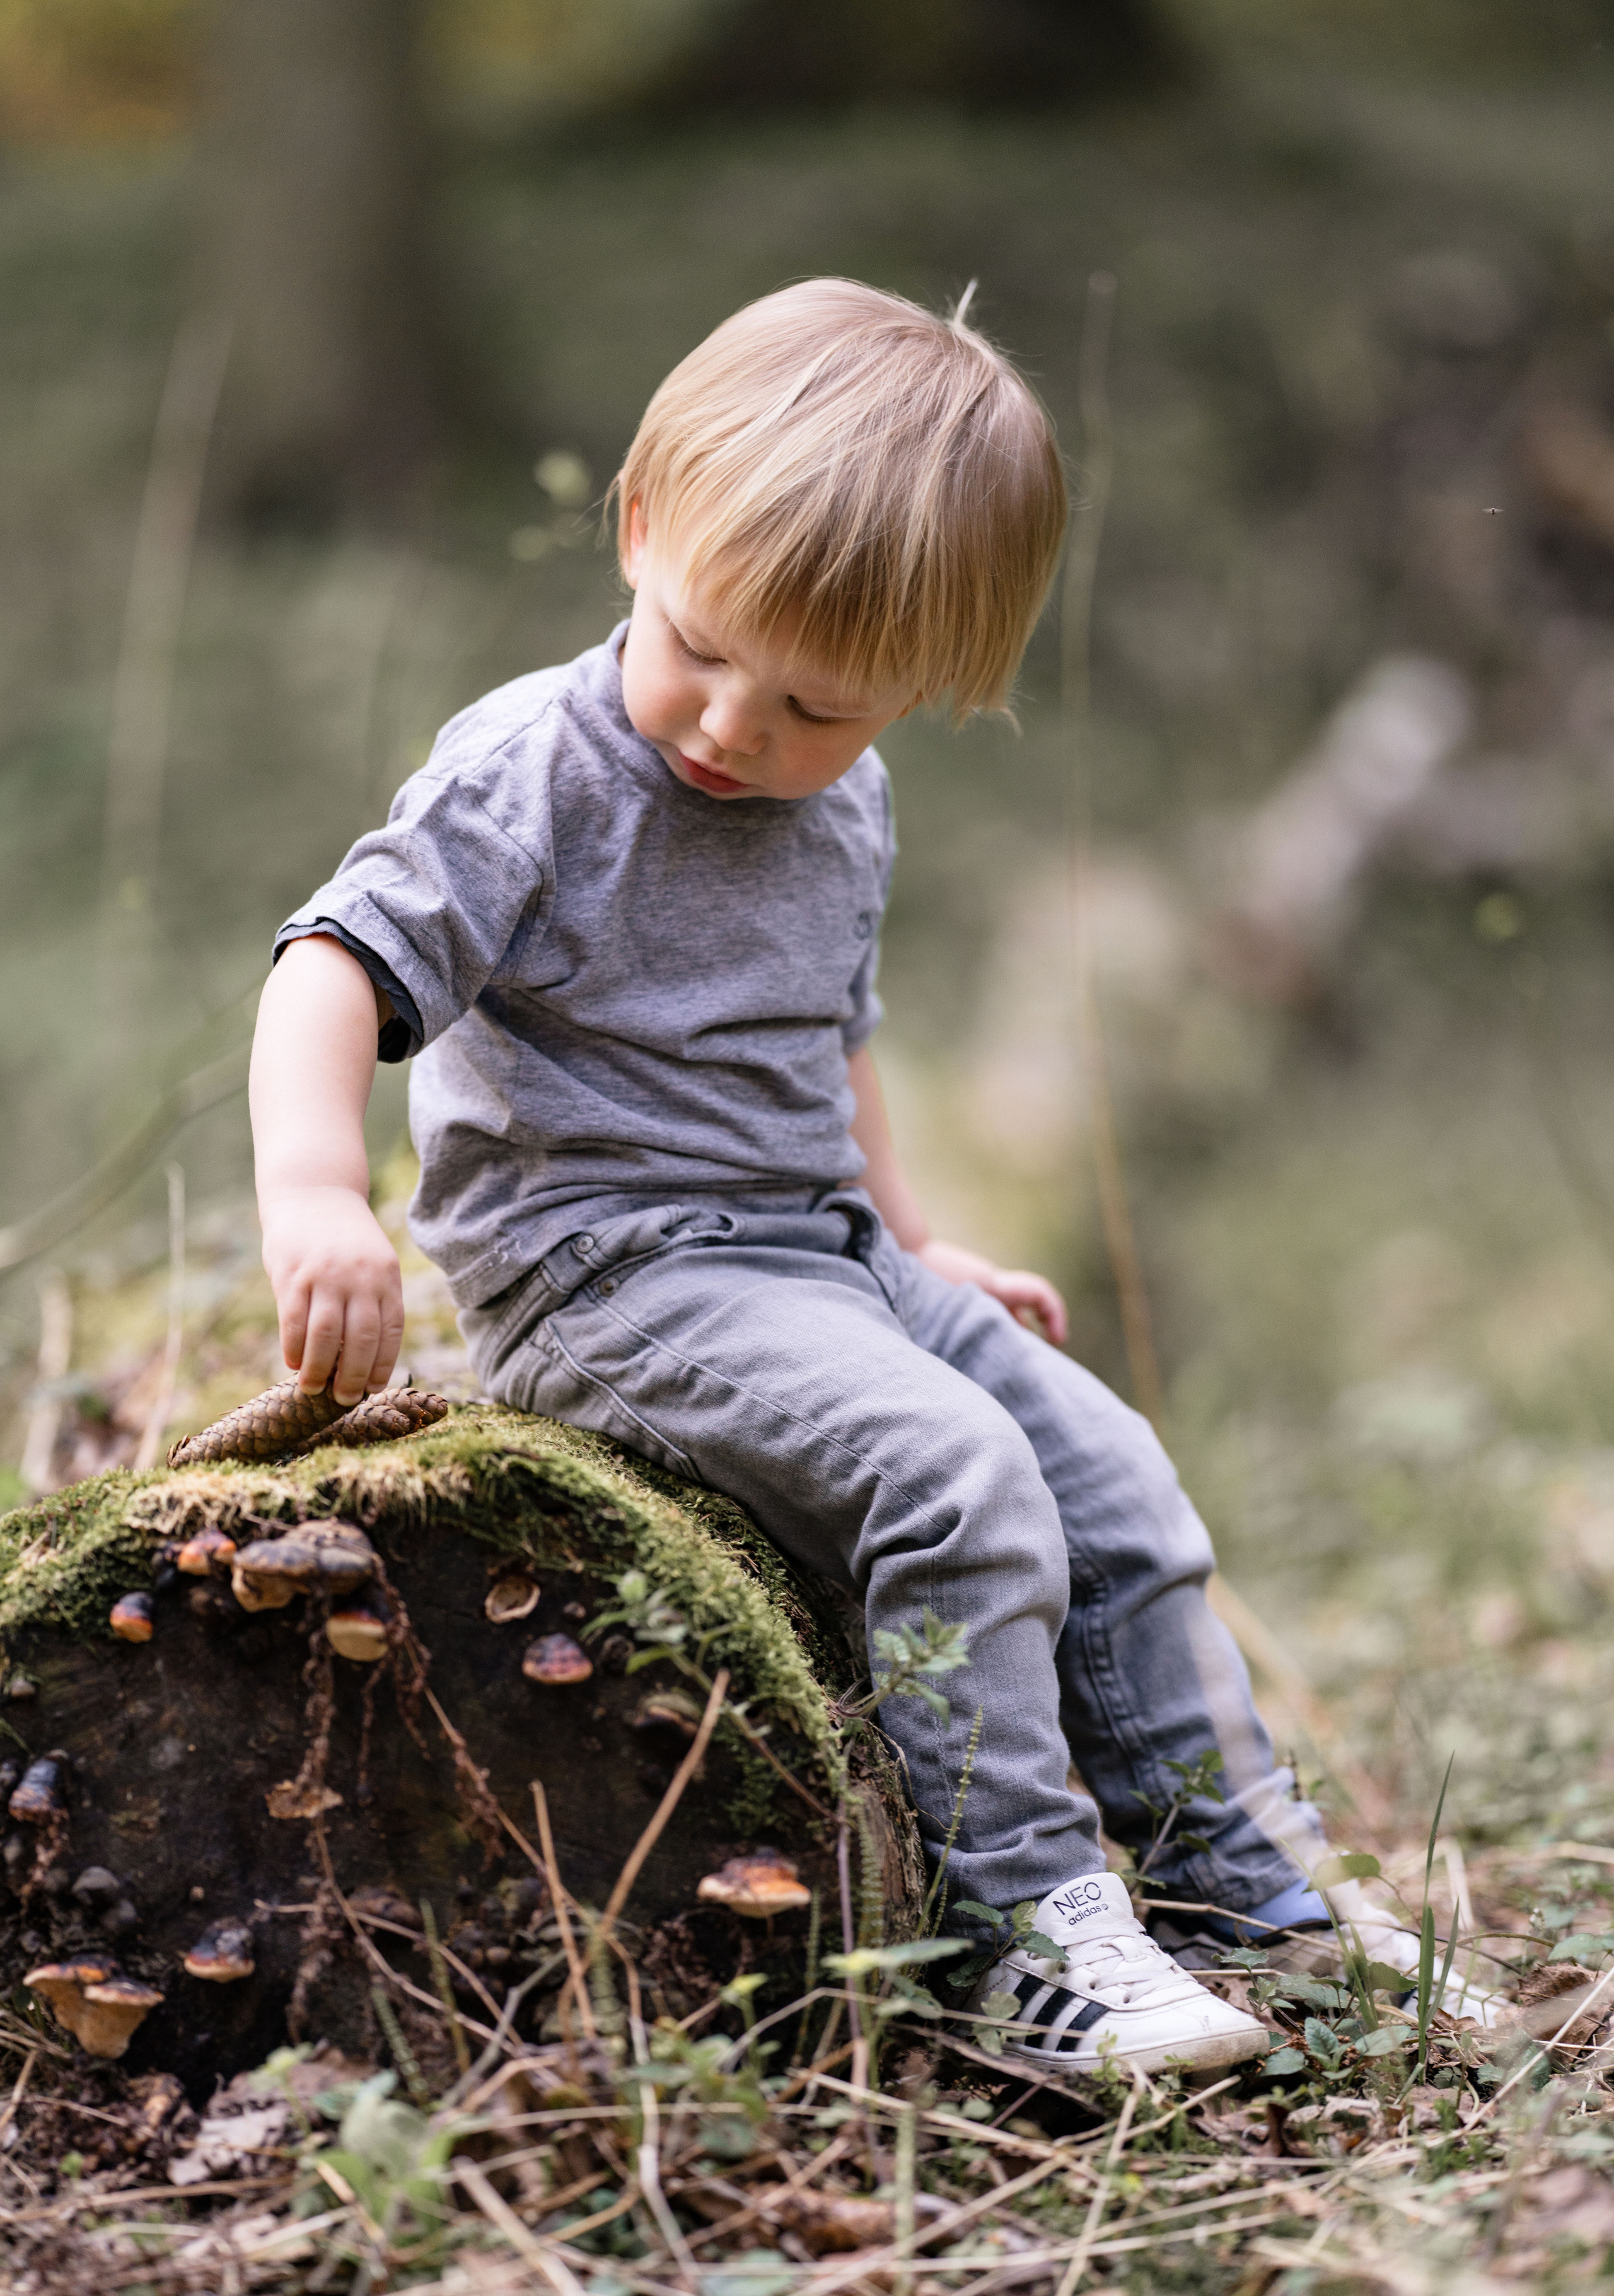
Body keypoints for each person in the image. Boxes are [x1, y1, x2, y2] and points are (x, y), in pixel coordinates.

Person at [251, 279, 1494, 2072]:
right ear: (640, 527)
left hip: (816, 1251)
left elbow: (829, 1038)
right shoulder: (535, 769)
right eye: (701, 645)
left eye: (818, 703)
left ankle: (1254, 1892)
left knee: (1117, 1478)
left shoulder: (851, 802)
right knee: (954, 1472)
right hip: (602, 1271)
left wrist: (918, 1250)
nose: (735, 726)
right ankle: (1023, 1931)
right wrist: (312, 1192)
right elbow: (328, 967)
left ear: (926, 689)